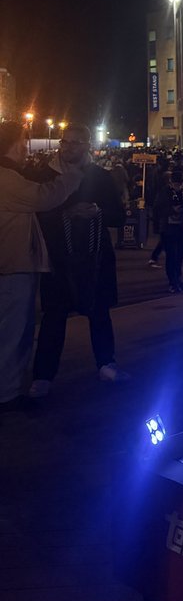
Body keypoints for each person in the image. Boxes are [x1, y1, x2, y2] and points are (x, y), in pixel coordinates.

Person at [28, 123, 128, 397]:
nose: (69, 147)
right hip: (58, 257)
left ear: (87, 145)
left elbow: (118, 216)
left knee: (99, 311)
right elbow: (36, 212)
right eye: (65, 142)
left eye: (75, 142)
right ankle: (43, 375)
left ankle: (106, 363)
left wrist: (97, 211)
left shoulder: (100, 176)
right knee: (54, 315)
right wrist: (65, 215)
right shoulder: (45, 175)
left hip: (94, 257)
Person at [0, 121, 84, 409]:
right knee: (14, 332)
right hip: (12, 264)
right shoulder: (7, 178)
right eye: (24, 142)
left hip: (10, 263)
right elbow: (44, 197)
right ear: (14, 144)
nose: (27, 148)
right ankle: (7, 394)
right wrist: (72, 176)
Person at [153, 168, 183, 293]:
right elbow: (158, 208)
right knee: (171, 255)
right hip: (168, 227)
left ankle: (178, 278)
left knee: (180, 254)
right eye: (176, 183)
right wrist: (172, 210)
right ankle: (173, 281)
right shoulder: (165, 192)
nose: (178, 186)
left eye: (180, 183)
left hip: (181, 226)